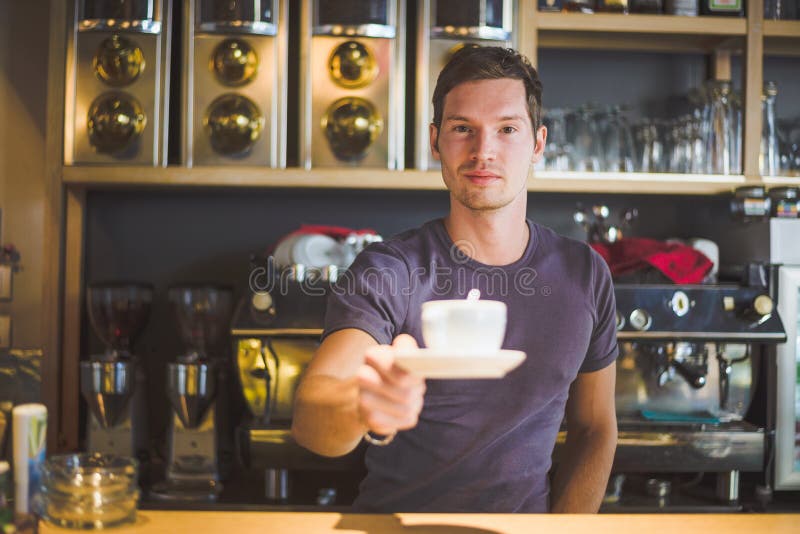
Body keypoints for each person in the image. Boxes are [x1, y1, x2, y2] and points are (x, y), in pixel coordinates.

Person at [291, 46, 618, 513]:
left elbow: (595, 427)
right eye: (463, 128)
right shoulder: (389, 270)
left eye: (507, 129)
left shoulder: (584, 273)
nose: (484, 151)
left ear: (538, 144)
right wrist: (363, 404)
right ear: (435, 141)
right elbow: (312, 416)